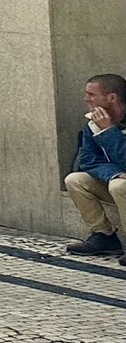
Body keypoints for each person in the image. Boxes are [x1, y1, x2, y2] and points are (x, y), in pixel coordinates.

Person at [64, 73, 126, 258]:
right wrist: (115, 173)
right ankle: (104, 236)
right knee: (75, 180)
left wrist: (109, 131)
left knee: (119, 185)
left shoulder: (104, 125)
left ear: (112, 97)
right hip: (118, 181)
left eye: (91, 94)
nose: (86, 99)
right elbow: (88, 160)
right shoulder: (93, 124)